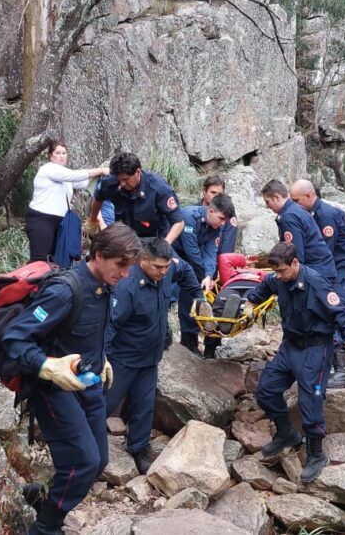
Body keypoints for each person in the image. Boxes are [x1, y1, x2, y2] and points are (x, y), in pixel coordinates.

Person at [1, 223, 141, 535]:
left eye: (130, 267)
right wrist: (47, 366)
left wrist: (99, 356)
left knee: (99, 461)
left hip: (87, 384)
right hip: (53, 388)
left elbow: (86, 328)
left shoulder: (105, 286)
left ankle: (41, 498)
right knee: (82, 462)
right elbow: (14, 339)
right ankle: (45, 528)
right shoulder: (64, 290)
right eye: (121, 265)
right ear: (100, 255)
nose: (126, 274)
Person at [246, 242, 345, 483]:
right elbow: (265, 286)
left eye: (282, 271)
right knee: (266, 391)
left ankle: (317, 454)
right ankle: (287, 433)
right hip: (290, 345)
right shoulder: (278, 279)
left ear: (295, 263)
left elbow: (339, 311)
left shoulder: (316, 282)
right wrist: (250, 304)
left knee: (310, 403)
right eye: (275, 271)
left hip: (316, 348)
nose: (278, 276)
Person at [106, 239, 189, 475]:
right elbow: (111, 325)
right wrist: (101, 359)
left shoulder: (167, 272)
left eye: (166, 267)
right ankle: (84, 450)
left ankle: (139, 448)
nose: (163, 272)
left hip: (150, 359)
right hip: (123, 359)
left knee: (144, 406)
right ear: (143, 260)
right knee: (103, 404)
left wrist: (199, 296)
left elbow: (185, 271)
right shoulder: (127, 287)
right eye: (158, 267)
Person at [289, 179, 345, 388]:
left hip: (339, 269)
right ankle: (327, 365)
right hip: (330, 269)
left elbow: (327, 250)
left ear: (309, 196)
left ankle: (342, 371)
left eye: (295, 200)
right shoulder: (308, 214)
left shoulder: (327, 215)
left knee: (336, 311)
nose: (292, 204)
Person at [169, 194, 235, 353]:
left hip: (192, 260)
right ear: (211, 211)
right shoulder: (189, 217)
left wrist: (209, 275)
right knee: (167, 295)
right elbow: (191, 250)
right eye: (221, 218)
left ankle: (189, 341)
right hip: (173, 255)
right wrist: (202, 273)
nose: (223, 223)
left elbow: (211, 252)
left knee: (191, 296)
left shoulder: (215, 226)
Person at [25, 142, 106, 262]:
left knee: (55, 260)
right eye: (58, 153)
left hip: (60, 221)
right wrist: (101, 170)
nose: (61, 156)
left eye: (64, 153)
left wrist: (103, 176)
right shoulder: (48, 169)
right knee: (40, 259)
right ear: (50, 155)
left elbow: (83, 182)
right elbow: (74, 175)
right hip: (41, 219)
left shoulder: (65, 176)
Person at [85, 151, 184, 243]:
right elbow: (98, 198)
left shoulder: (158, 188)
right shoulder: (110, 182)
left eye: (125, 179)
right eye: (119, 180)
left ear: (138, 172)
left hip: (153, 238)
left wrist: (166, 244)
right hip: (124, 236)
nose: (122, 184)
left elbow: (179, 222)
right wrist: (93, 220)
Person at [260, 179, 337, 282]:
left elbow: (295, 252)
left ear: (277, 197)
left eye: (267, 201)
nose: (267, 206)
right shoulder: (295, 209)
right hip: (322, 269)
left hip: (315, 273)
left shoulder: (289, 217)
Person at [201, 176, 238, 254]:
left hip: (217, 259)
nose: (216, 197)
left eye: (219, 194)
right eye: (213, 193)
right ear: (204, 191)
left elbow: (227, 246)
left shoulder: (227, 214)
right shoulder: (193, 210)